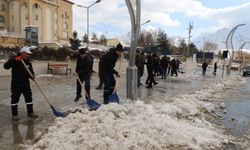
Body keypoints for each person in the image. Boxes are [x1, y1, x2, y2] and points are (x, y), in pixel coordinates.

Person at [3, 46, 38, 121]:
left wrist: (32, 76)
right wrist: (14, 60)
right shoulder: (15, 61)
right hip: (16, 85)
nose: (29, 55)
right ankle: (14, 115)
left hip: (26, 84)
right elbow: (5, 66)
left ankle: (30, 113)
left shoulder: (28, 63)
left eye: (29, 54)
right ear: (22, 53)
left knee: (29, 98)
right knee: (15, 99)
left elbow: (31, 73)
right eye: (27, 53)